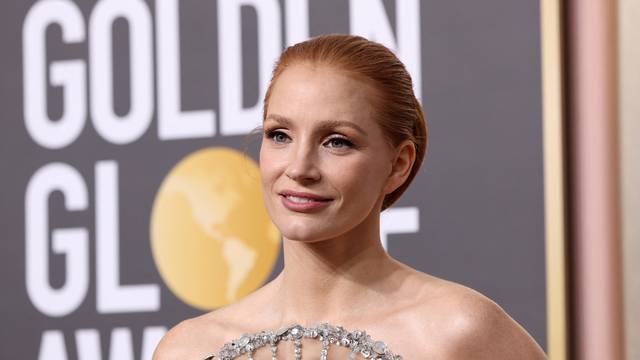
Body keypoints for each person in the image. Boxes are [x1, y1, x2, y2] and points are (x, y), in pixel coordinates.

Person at [153, 34, 547, 360]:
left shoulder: (457, 332)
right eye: (279, 135)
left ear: (398, 164)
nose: (299, 167)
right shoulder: (187, 349)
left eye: (337, 142)